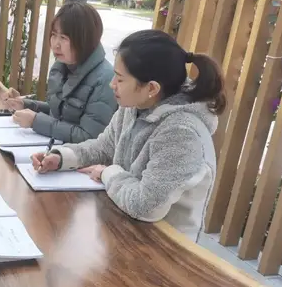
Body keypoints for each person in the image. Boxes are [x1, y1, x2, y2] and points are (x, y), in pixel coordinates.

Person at [32, 29, 227, 238]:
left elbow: (145, 206)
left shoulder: (181, 133)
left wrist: (106, 173)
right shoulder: (136, 104)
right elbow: (104, 147)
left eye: (120, 79)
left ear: (151, 88)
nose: (112, 84)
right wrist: (61, 158)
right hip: (125, 224)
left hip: (165, 244)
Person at [3, 2, 117, 143]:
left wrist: (36, 121)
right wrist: (26, 105)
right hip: (53, 148)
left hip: (75, 155)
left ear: (85, 40)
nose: (56, 44)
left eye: (63, 38)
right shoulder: (62, 66)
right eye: (54, 35)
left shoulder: (105, 79)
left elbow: (89, 137)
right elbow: (59, 112)